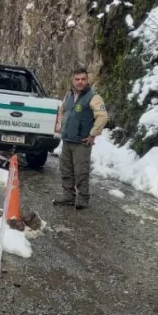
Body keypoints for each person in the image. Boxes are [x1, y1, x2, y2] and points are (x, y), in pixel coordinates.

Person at [53, 67, 108, 209]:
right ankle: (68, 196)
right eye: (77, 79)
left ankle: (83, 198)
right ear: (73, 80)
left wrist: (92, 134)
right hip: (67, 140)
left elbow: (102, 116)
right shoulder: (69, 95)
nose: (80, 82)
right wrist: (60, 125)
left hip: (82, 142)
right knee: (66, 170)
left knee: (81, 171)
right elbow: (62, 110)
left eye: (83, 79)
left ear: (87, 80)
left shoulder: (94, 97)